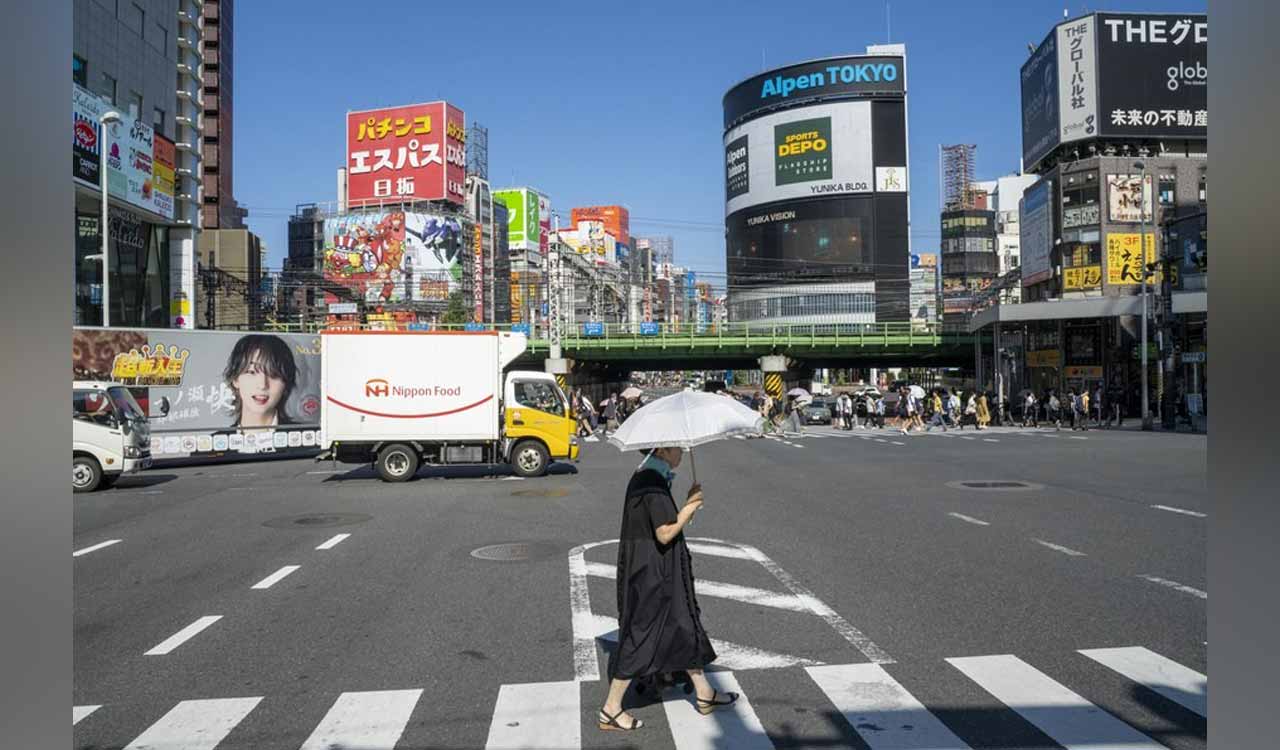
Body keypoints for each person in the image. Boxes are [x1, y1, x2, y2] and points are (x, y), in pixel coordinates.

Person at [599, 447, 736, 731]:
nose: (682, 452)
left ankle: (704, 692)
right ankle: (611, 708)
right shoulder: (651, 481)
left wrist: (686, 504)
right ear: (662, 449)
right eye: (677, 447)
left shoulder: (647, 475)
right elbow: (664, 533)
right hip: (653, 574)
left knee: (681, 626)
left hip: (652, 569)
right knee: (642, 636)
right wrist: (690, 506)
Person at [223, 334, 299, 428]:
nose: (263, 385)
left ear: (286, 384)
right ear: (235, 379)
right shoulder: (215, 437)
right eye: (252, 372)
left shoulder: (309, 435)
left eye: (274, 374)